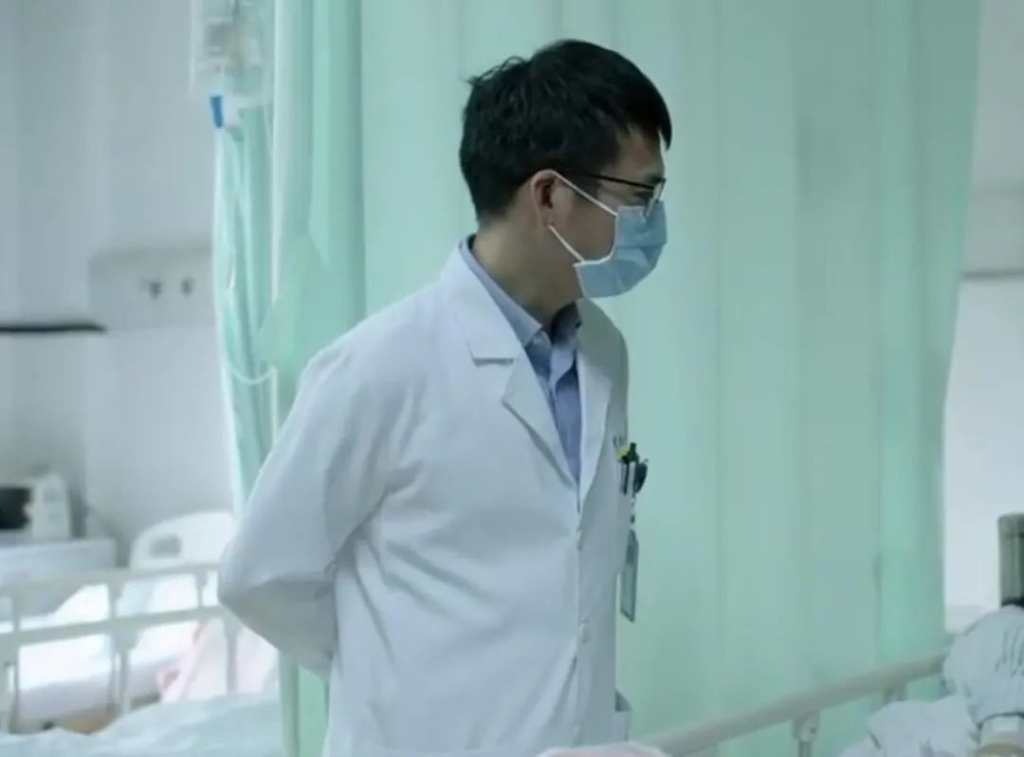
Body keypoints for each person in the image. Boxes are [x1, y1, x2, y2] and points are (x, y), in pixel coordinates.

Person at [217, 38, 671, 757]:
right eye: (639, 196)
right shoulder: (381, 366)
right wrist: (395, 675)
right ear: (549, 196)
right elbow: (259, 577)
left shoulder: (603, 352)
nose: (653, 221)